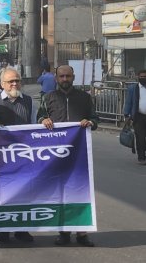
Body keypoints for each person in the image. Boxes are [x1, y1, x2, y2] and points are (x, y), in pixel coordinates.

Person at [37, 65, 98, 247]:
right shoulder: (48, 98)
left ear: (74, 77)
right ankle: (63, 232)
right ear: (56, 78)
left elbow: (95, 119)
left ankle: (81, 233)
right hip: (55, 156)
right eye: (62, 76)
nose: (65, 79)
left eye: (68, 76)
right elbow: (39, 117)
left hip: (79, 156)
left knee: (80, 193)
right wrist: (43, 120)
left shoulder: (85, 98)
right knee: (61, 194)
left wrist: (90, 122)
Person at [0, 67, 36, 244]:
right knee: (5, 195)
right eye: (10, 81)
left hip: (24, 156)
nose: (14, 84)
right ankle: (4, 230)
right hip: (3, 157)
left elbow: (34, 126)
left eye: (17, 80)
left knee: (24, 193)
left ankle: (22, 230)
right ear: (2, 84)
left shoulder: (30, 102)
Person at [124, 69, 146, 164]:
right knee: (140, 137)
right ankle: (141, 157)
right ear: (138, 77)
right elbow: (128, 102)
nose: (143, 78)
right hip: (138, 116)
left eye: (145, 76)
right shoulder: (133, 88)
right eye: (141, 76)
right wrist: (126, 115)